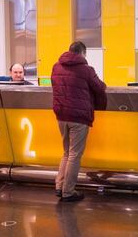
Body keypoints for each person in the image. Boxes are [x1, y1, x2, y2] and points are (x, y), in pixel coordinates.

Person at [51, 41, 107, 202]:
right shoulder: (86, 70)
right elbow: (100, 87)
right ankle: (68, 191)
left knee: (67, 152)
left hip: (61, 114)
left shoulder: (56, 67)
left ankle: (59, 186)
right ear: (83, 53)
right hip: (78, 117)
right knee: (75, 154)